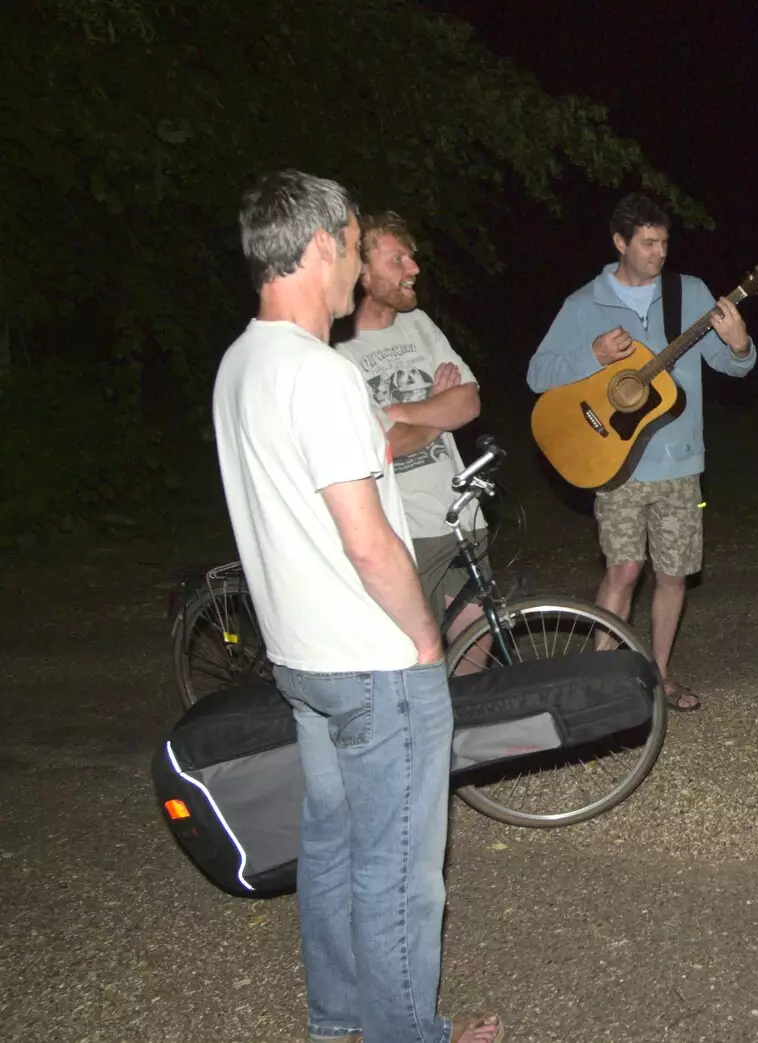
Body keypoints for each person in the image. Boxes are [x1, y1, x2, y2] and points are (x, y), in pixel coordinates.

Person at [212, 171, 503, 1043]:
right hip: (372, 664)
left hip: (302, 662)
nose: (351, 265)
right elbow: (369, 539)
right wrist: (422, 640)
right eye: (348, 243)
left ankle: (337, 1022)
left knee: (333, 850)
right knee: (400, 873)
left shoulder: (239, 363)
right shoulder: (320, 374)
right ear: (318, 247)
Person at [527, 192, 757, 711]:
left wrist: (740, 344)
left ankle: (659, 675)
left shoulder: (690, 293)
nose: (659, 253)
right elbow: (538, 374)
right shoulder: (584, 304)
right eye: (648, 243)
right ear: (619, 243)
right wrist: (593, 355)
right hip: (615, 464)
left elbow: (732, 366)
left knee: (673, 573)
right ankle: (600, 678)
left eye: (665, 242)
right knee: (624, 570)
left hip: (679, 463)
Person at [335, 211, 486, 644]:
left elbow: (469, 402)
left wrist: (401, 411)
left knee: (477, 638)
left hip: (462, 511)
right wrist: (437, 412)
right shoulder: (337, 351)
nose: (413, 268)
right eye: (397, 258)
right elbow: (381, 443)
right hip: (401, 528)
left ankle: (470, 716)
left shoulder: (419, 324)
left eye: (412, 257)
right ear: (361, 272)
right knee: (419, 651)